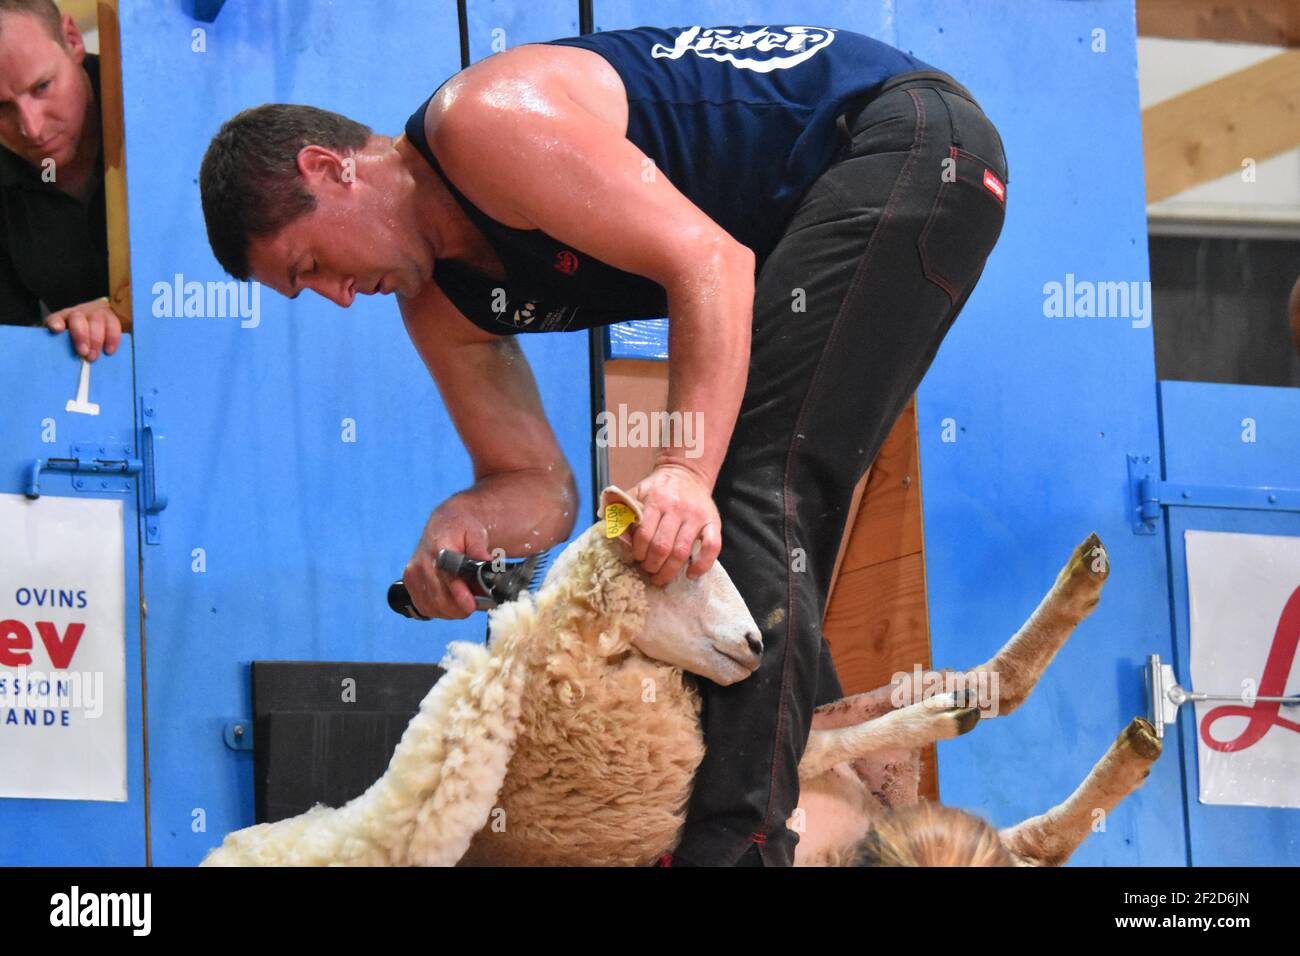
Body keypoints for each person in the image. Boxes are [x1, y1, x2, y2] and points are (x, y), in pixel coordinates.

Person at [198, 23, 1009, 866]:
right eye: (306, 292)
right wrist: (462, 525)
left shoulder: (481, 123)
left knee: (744, 483)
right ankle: (820, 820)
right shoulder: (438, 303)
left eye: (310, 265)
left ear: (329, 170)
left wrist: (683, 473)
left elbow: (711, 265)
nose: (333, 297)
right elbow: (538, 488)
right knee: (734, 495)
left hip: (908, 141)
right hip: (828, 202)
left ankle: (738, 848)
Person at [0, 0, 121, 361]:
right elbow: (12, 347)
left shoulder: (155, 108)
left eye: (42, 87)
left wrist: (120, 309)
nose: (31, 128)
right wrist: (60, 332)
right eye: (1, 107)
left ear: (72, 40)